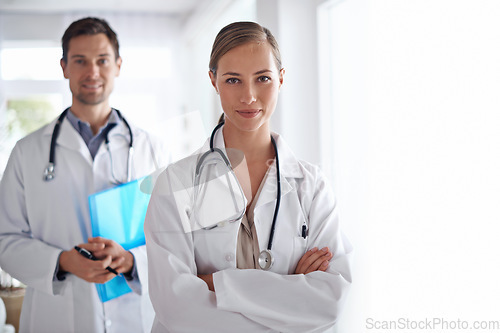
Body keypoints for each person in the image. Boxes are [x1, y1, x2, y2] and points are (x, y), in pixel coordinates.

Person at [145, 21, 352, 332]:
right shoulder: (176, 183)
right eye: (233, 80)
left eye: (263, 78)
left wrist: (216, 285)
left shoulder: (312, 186)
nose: (249, 96)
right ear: (213, 80)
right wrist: (288, 289)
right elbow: (177, 309)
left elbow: (331, 301)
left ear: (281, 79)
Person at [0, 17, 169, 333]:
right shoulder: (27, 152)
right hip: (57, 318)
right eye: (80, 61)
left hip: (134, 318)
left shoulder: (153, 150)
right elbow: (4, 238)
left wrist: (133, 261)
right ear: (64, 67)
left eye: (102, 60)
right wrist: (62, 261)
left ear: (118, 65)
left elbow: (175, 238)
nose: (92, 72)